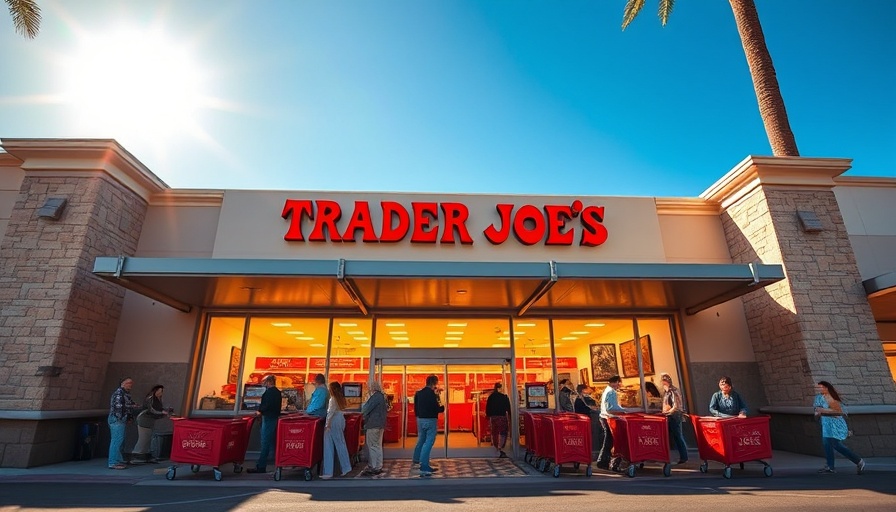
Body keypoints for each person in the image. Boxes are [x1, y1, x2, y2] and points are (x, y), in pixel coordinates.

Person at [814, 380, 865, 474]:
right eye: (818, 387)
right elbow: (817, 411)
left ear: (827, 388)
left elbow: (839, 412)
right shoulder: (819, 398)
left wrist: (823, 411)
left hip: (835, 425)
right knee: (827, 446)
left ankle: (858, 461)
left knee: (836, 445)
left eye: (821, 387)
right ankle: (830, 467)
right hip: (826, 425)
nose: (819, 389)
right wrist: (818, 413)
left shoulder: (830, 398)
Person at [247, 374, 281, 473]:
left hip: (268, 417)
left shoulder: (268, 393)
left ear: (269, 382)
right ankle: (270, 460)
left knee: (265, 441)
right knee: (270, 440)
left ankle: (261, 465)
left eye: (265, 382)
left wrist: (260, 411)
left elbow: (266, 405)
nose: (264, 384)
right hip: (274, 417)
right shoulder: (278, 392)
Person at [412, 374, 444, 477]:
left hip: (420, 419)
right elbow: (437, 408)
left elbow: (416, 407)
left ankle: (416, 459)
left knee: (421, 439)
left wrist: (418, 416)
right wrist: (441, 405)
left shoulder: (419, 393)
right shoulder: (432, 394)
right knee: (429, 441)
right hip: (430, 419)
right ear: (434, 383)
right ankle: (424, 464)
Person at [131, 384, 170, 463]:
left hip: (150, 421)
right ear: (155, 390)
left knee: (148, 438)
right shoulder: (150, 398)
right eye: (159, 391)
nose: (161, 393)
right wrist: (162, 412)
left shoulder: (158, 399)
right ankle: (136, 456)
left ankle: (144, 456)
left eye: (162, 391)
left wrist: (165, 411)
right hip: (144, 419)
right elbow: (151, 410)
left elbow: (158, 409)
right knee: (143, 438)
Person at [107, 377, 141, 470]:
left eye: (131, 383)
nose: (130, 385)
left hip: (120, 419)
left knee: (119, 441)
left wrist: (129, 416)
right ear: (122, 383)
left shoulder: (126, 394)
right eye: (128, 383)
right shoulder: (119, 393)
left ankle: (117, 460)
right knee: (116, 441)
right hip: (117, 419)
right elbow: (119, 406)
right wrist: (132, 406)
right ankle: (113, 462)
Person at [321, 381, 352, 479]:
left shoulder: (332, 400)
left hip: (333, 421)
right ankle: (346, 467)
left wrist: (327, 425)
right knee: (341, 444)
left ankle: (328, 472)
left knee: (328, 446)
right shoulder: (340, 399)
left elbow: (330, 413)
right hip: (340, 419)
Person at [596, 375, 626, 471]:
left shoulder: (607, 390)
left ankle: (603, 461)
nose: (619, 385)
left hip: (605, 417)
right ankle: (603, 461)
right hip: (608, 418)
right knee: (609, 440)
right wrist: (625, 410)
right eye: (619, 383)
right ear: (616, 382)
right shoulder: (611, 392)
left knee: (608, 440)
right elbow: (611, 408)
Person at [360, 379, 387, 476]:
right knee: (378, 446)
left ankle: (374, 466)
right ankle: (379, 465)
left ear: (371, 388)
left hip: (373, 424)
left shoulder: (375, 397)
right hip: (380, 425)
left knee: (372, 445)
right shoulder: (382, 397)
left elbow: (365, 409)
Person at [661, 373, 689, 465]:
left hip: (674, 416)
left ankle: (684, 456)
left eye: (664, 381)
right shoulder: (667, 391)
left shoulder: (673, 391)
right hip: (669, 415)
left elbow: (676, 406)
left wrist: (668, 412)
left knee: (678, 436)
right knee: (672, 436)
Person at [485, 382, 512, 459]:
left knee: (495, 432)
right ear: (500, 388)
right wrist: (510, 415)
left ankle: (496, 447)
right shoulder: (504, 397)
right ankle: (501, 447)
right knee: (503, 432)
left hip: (493, 417)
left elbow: (488, 408)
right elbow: (508, 408)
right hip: (502, 416)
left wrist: (488, 415)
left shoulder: (491, 397)